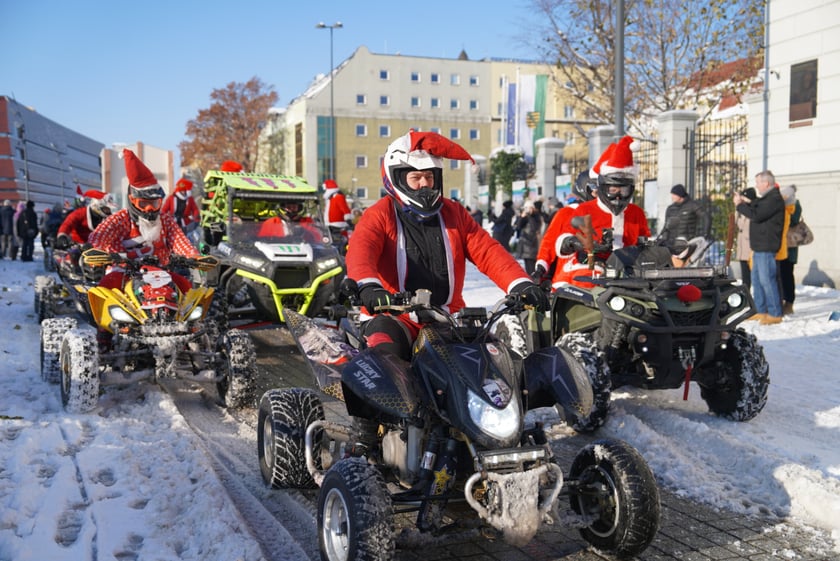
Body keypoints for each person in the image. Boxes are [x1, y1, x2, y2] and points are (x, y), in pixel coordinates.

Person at [346, 129, 548, 361]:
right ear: (397, 179)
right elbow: (362, 252)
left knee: (502, 366)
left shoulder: (455, 213)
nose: (424, 184)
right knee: (385, 364)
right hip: (392, 318)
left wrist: (520, 284)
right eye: (416, 178)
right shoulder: (379, 214)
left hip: (447, 318)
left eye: (430, 177)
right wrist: (369, 287)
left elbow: (488, 252)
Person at [88, 149, 204, 294]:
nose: (149, 209)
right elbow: (100, 235)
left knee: (185, 286)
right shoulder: (121, 218)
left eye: (154, 204)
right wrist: (94, 251)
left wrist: (195, 257)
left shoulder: (165, 220)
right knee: (104, 289)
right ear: (132, 200)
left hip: (160, 273)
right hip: (124, 272)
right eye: (143, 204)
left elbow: (181, 242)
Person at [553, 135, 651, 288]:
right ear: (604, 187)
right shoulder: (585, 209)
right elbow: (563, 240)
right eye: (613, 189)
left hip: (629, 272)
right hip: (591, 269)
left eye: (623, 190)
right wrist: (576, 243)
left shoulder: (636, 213)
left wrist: (657, 246)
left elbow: (645, 240)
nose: (618, 195)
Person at [734, 170, 785, 325]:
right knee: (756, 280)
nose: (756, 186)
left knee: (767, 280)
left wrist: (740, 205)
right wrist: (746, 201)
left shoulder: (774, 199)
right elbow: (758, 206)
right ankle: (760, 310)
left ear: (766, 183)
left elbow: (757, 215)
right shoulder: (768, 198)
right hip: (759, 247)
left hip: (766, 246)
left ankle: (775, 313)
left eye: (758, 183)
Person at [533, 168, 599, 288]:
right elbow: (549, 242)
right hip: (570, 277)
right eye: (596, 191)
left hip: (602, 276)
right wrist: (541, 268)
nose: (600, 195)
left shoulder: (607, 214)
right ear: (585, 189)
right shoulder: (568, 212)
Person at [660, 184, 708, 249]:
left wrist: (704, 233)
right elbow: (666, 227)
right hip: (671, 244)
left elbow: (706, 217)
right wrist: (663, 240)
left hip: (687, 243)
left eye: (674, 194)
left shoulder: (692, 205)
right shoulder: (670, 208)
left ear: (680, 195)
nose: (672, 197)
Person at [778, 185, 800, 315]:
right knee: (780, 275)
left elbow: (792, 221)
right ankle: (782, 301)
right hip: (782, 247)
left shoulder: (795, 205)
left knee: (787, 276)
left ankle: (789, 303)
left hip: (789, 248)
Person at [162, 177, 201, 244]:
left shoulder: (189, 199)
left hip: (185, 223)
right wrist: (165, 220)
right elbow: (164, 210)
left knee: (188, 237)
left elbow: (195, 209)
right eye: (182, 191)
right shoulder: (171, 198)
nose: (184, 192)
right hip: (173, 223)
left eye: (185, 191)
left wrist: (196, 217)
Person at [322, 179, 353, 251]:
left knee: (339, 242)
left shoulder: (338, 197)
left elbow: (344, 208)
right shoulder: (330, 199)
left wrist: (348, 218)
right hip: (330, 225)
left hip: (338, 225)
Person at [514, 199, 544, 275]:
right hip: (525, 245)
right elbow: (518, 226)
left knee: (532, 267)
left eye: (529, 208)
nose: (527, 210)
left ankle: (535, 282)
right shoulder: (525, 217)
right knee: (527, 266)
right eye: (526, 208)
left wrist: (530, 216)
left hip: (533, 244)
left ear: (533, 208)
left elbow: (535, 227)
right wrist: (522, 217)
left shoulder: (536, 216)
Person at [733, 188, 754, 290]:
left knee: (753, 272)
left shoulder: (753, 210)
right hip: (742, 245)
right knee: (745, 273)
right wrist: (737, 207)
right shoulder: (742, 209)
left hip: (750, 245)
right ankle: (746, 292)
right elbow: (735, 222)